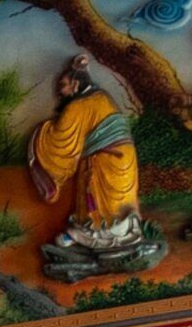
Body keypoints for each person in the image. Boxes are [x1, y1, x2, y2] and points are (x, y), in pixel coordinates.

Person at [32, 53, 152, 272]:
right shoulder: (102, 97)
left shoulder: (79, 105)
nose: (61, 90)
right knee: (109, 200)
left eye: (64, 85)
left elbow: (61, 140)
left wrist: (41, 135)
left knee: (104, 202)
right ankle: (107, 234)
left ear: (76, 84)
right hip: (123, 156)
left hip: (107, 159)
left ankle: (102, 236)